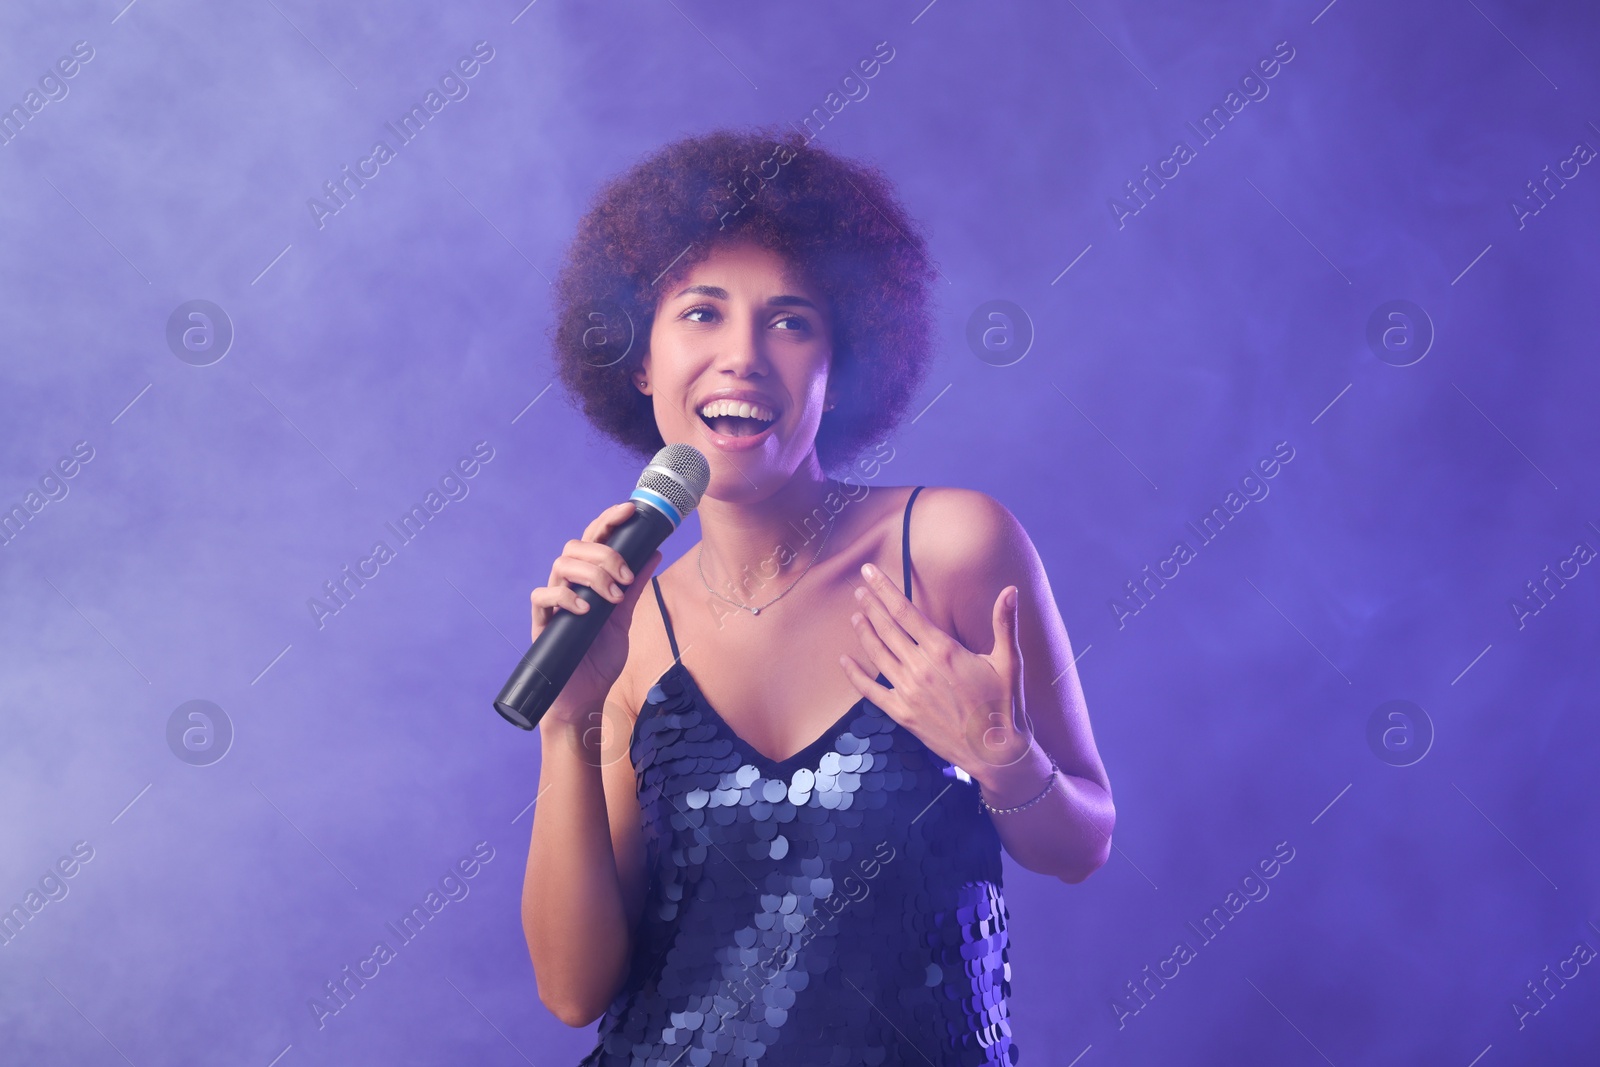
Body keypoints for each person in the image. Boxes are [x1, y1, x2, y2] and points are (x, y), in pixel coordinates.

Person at [522, 125, 1114, 1066]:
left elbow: (1081, 842)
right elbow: (572, 989)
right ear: (640, 360)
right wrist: (570, 725)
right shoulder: (634, 628)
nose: (744, 357)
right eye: (702, 313)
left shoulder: (953, 546)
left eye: (791, 321)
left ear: (840, 368)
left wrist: (1004, 759)